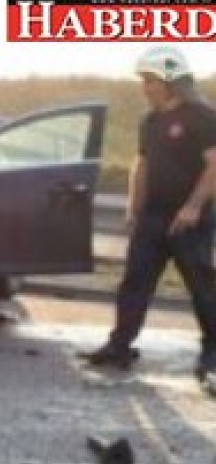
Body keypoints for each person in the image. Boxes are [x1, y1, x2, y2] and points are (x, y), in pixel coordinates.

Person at [81, 46, 216, 382]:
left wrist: (194, 206)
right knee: (134, 282)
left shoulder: (202, 116)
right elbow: (142, 165)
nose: (145, 87)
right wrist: (133, 206)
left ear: (171, 81)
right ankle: (119, 346)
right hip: (153, 216)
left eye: (151, 81)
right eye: (144, 81)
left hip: (190, 221)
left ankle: (213, 352)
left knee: (202, 287)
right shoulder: (150, 121)